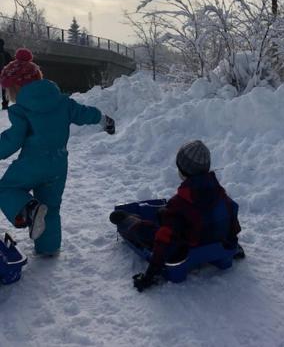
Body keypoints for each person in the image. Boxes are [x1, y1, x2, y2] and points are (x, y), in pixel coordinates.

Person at [0, 48, 115, 256]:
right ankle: (48, 248)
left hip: (32, 164)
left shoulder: (21, 110)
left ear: (16, 87)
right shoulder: (63, 102)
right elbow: (84, 113)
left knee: (6, 189)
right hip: (58, 165)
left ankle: (28, 209)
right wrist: (103, 120)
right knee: (50, 206)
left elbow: (14, 139)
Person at [110, 140, 243, 292]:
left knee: (138, 226)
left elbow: (163, 241)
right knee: (168, 215)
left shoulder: (179, 204)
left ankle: (128, 220)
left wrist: (149, 276)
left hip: (184, 249)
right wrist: (234, 246)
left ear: (183, 170)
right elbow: (232, 219)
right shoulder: (221, 195)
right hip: (213, 240)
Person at [0, 39, 12, 110]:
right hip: (4, 74)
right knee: (4, 90)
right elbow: (10, 64)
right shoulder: (6, 53)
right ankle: (5, 104)